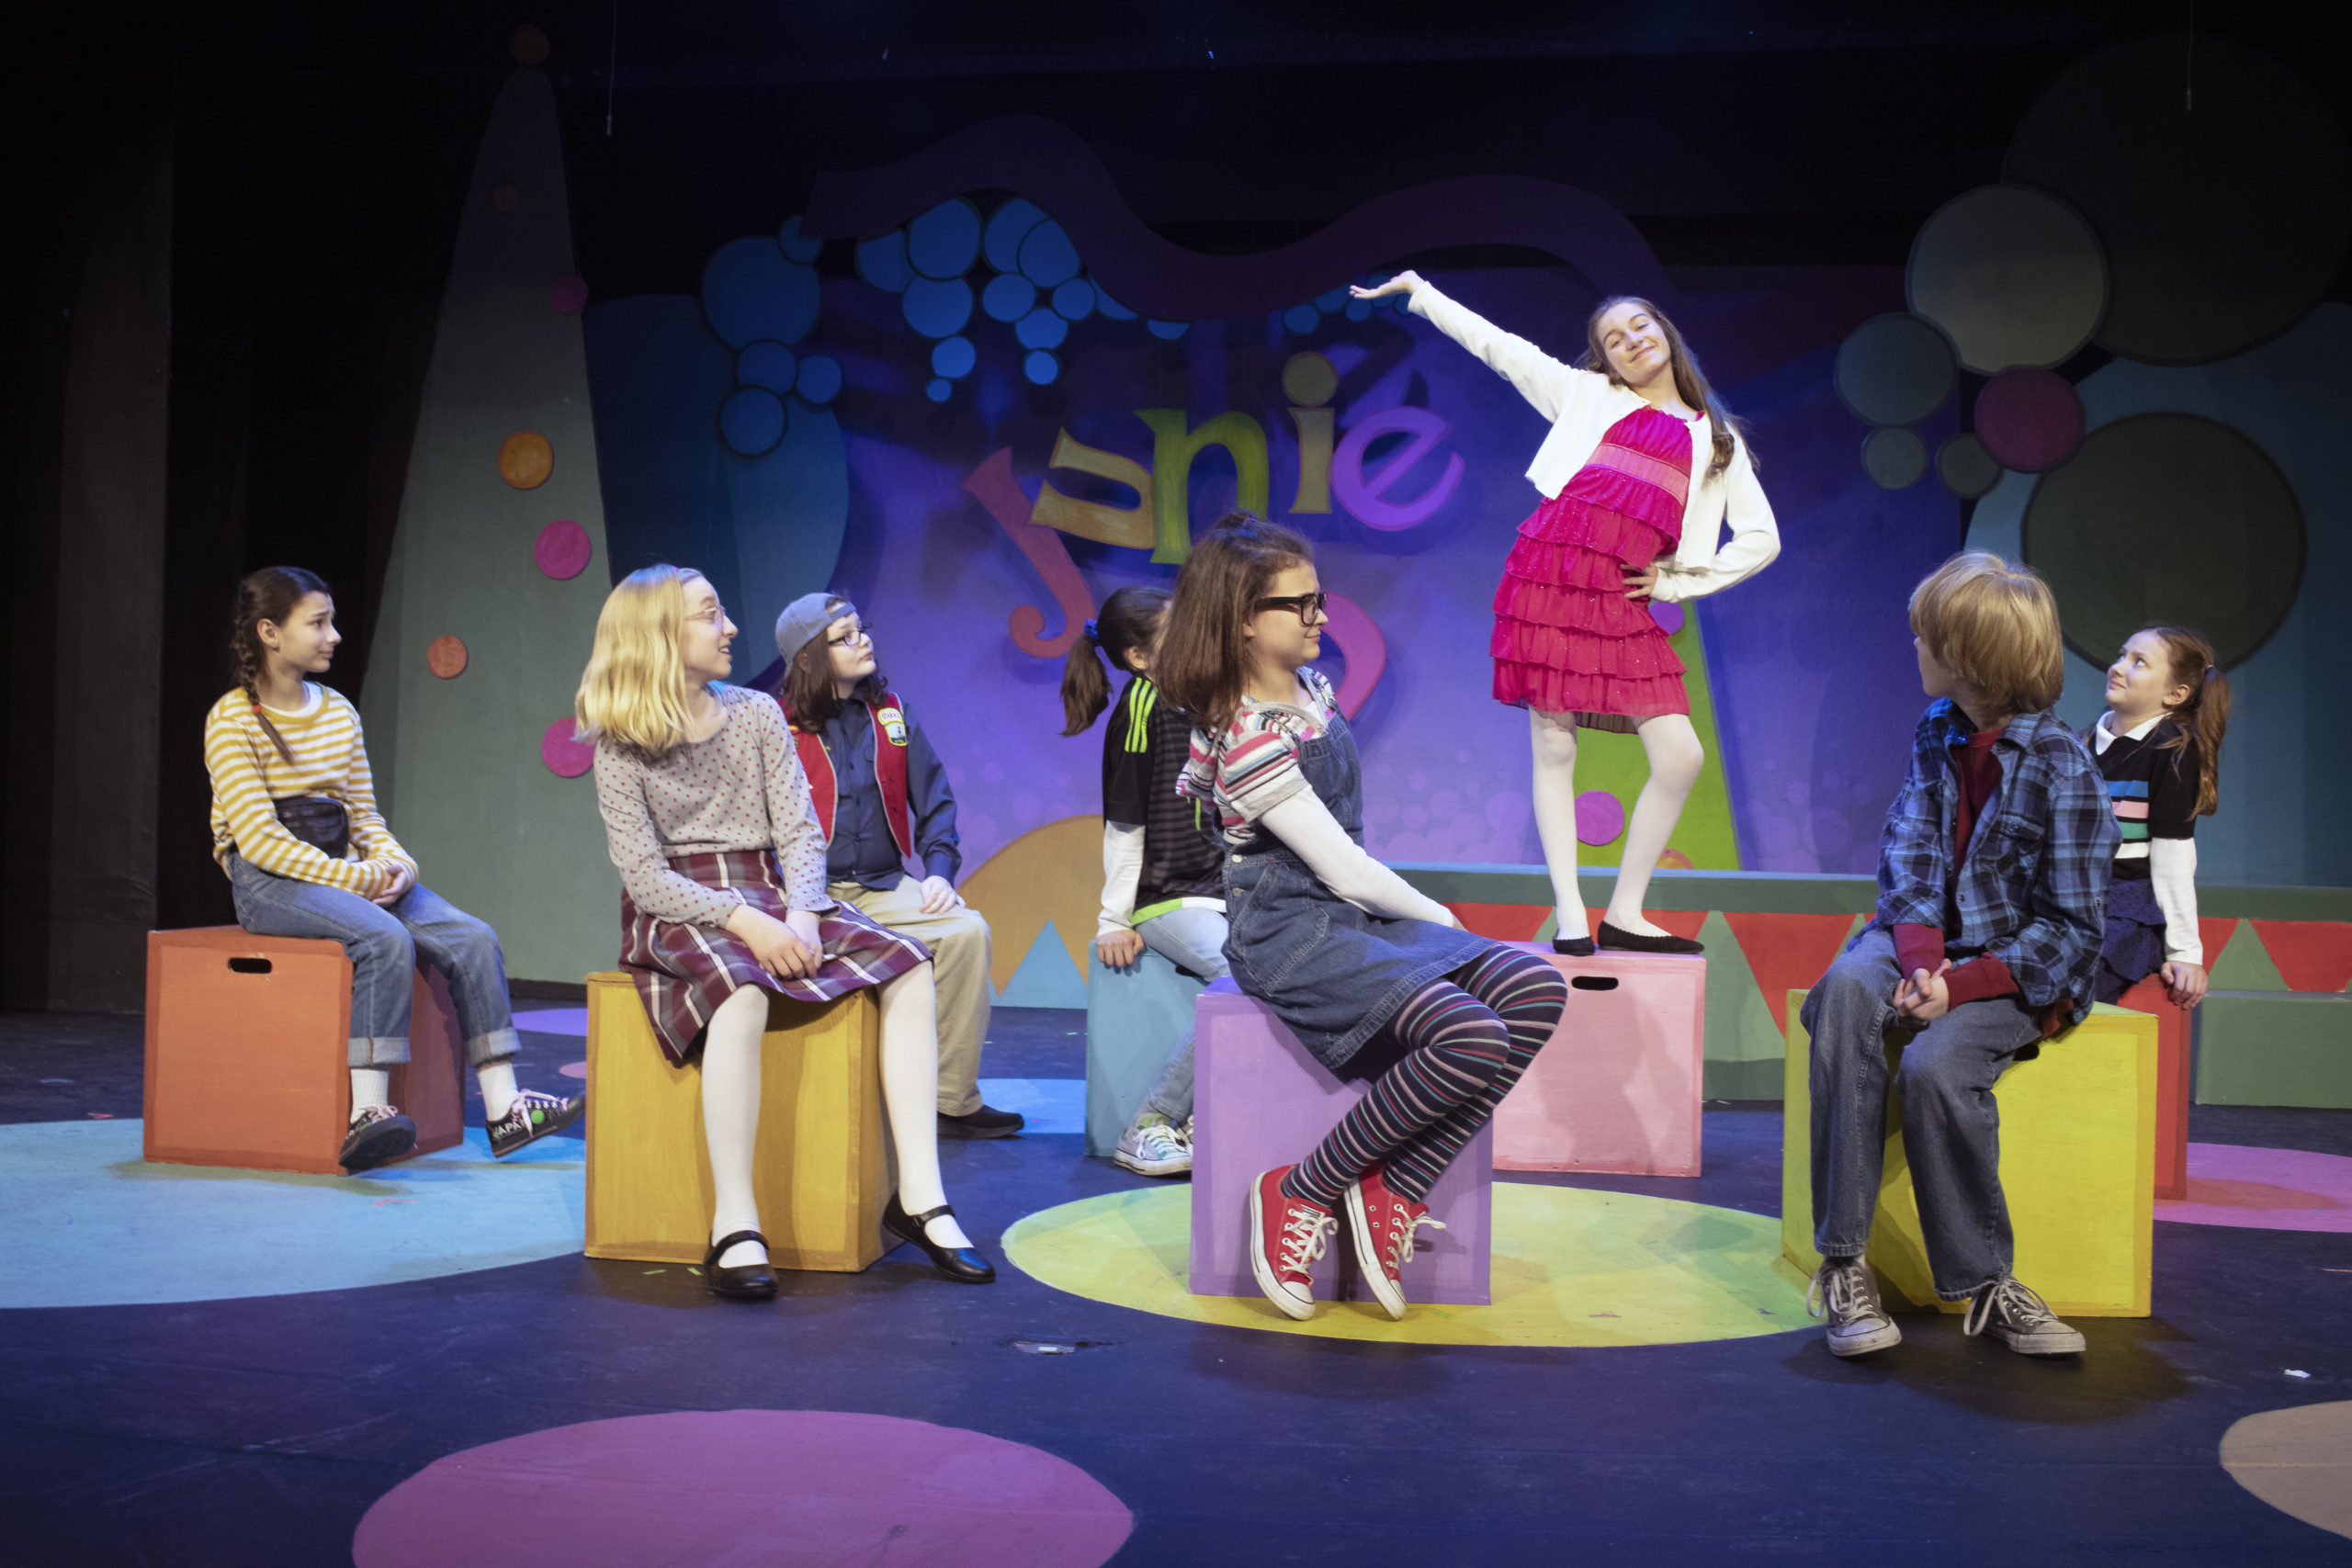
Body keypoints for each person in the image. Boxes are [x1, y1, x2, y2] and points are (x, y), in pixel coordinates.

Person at [1158, 514, 1567, 1322]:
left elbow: (1346, 871)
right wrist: (1444, 921)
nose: (1321, 616)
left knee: (1533, 986)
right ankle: (1302, 1188)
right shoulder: (1247, 733)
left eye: (1320, 598)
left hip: (1343, 915)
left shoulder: (1310, 690)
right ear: (1245, 619)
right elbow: (1344, 867)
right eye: (1300, 604)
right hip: (1286, 930)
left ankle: (1396, 1187)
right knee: (1471, 1034)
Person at [580, 566, 993, 1301]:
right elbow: (645, 878)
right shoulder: (620, 744)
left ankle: (922, 1199)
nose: (730, 627)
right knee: (740, 990)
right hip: (681, 906)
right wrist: (745, 921)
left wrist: (800, 912)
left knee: (908, 962)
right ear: (660, 637)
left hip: (772, 886)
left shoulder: (756, 714)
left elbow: (800, 830)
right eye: (711, 614)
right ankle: (735, 1223)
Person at [1351, 271, 1778, 955]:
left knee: (1680, 754)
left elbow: (1761, 537)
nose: (1631, 341)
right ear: (1605, 360)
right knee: (1554, 745)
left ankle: (1626, 911)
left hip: (1619, 595)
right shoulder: (1588, 395)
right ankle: (1572, 914)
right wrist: (1421, 293)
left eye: (1640, 326)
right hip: (1550, 576)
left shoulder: (1716, 440)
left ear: (1664, 331)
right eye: (1613, 339)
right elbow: (1500, 347)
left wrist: (1675, 583)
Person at [1804, 552, 2116, 1359]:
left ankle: (1985, 1283)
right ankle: (1844, 1263)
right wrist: (1919, 960)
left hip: (2016, 966)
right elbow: (1908, 854)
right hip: (1926, 942)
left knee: (1937, 1067)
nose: (1915, 645)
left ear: (1969, 657)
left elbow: (2073, 932)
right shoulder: (1937, 730)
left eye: (1927, 636)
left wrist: (1962, 985)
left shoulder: (2065, 768)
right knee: (1845, 988)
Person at [204, 567, 582, 1171]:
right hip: (268, 881)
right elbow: (261, 841)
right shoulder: (231, 720)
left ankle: (505, 1108)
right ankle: (368, 1112)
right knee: (383, 938)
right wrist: (359, 881)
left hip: (344, 870)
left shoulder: (338, 711)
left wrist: (397, 866)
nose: (334, 636)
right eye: (318, 623)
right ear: (270, 632)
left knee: (474, 937)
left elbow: (363, 814)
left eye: (332, 621)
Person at [763, 593, 1023, 1142]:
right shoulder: (773, 725)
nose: (863, 642)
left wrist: (938, 873)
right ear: (808, 657)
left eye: (861, 630)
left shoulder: (892, 714)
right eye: (844, 637)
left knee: (966, 932)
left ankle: (950, 1099)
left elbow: (935, 801)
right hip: (805, 897)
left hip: (883, 885)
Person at [1061, 586, 1227, 1178]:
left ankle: (1214, 1116)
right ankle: (1152, 1122)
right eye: (1175, 630)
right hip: (1169, 899)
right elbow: (1125, 823)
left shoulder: (1199, 699)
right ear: (1139, 657)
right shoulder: (1141, 705)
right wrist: (1114, 918)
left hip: (1221, 892)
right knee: (1244, 975)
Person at [2086, 626, 2230, 1010]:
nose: (2119, 667)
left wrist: (2185, 952)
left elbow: (2173, 856)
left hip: (2126, 905)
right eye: (2121, 655)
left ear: (2175, 694)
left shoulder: (2172, 749)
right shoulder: (2080, 744)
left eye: (2139, 662)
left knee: (2076, 975)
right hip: (2074, 896)